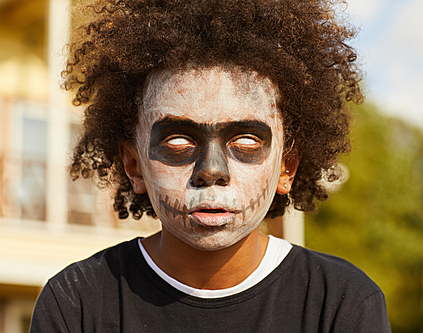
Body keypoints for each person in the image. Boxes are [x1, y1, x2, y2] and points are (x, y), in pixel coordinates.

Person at [30, 0, 391, 331]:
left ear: (287, 167)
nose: (212, 170)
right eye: (178, 141)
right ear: (134, 164)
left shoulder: (341, 302)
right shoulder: (76, 303)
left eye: (246, 140)